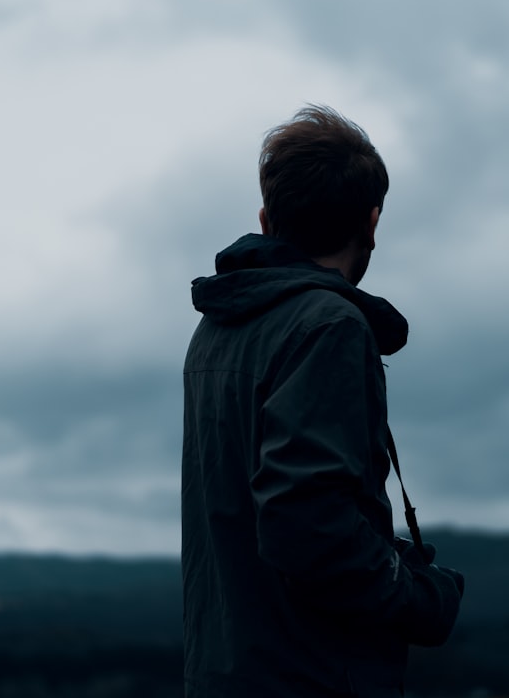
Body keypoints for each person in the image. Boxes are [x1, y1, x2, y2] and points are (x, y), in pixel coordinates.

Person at [181, 105, 464, 697]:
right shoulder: (329, 325)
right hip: (311, 678)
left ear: (267, 218)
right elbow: (304, 526)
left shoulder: (219, 327)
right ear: (372, 221)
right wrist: (419, 596)